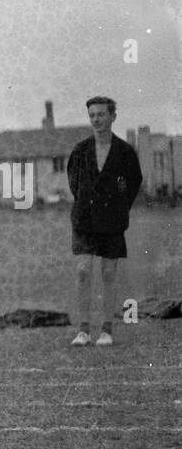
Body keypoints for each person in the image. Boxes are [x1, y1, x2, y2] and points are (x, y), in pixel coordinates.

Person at [67, 95, 142, 346]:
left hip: (112, 221)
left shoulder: (125, 152)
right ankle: (83, 330)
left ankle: (107, 330)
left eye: (101, 114)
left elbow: (133, 184)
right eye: (92, 115)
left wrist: (118, 209)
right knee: (82, 271)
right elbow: (74, 184)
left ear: (113, 116)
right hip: (85, 220)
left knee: (109, 272)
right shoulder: (80, 151)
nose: (96, 119)